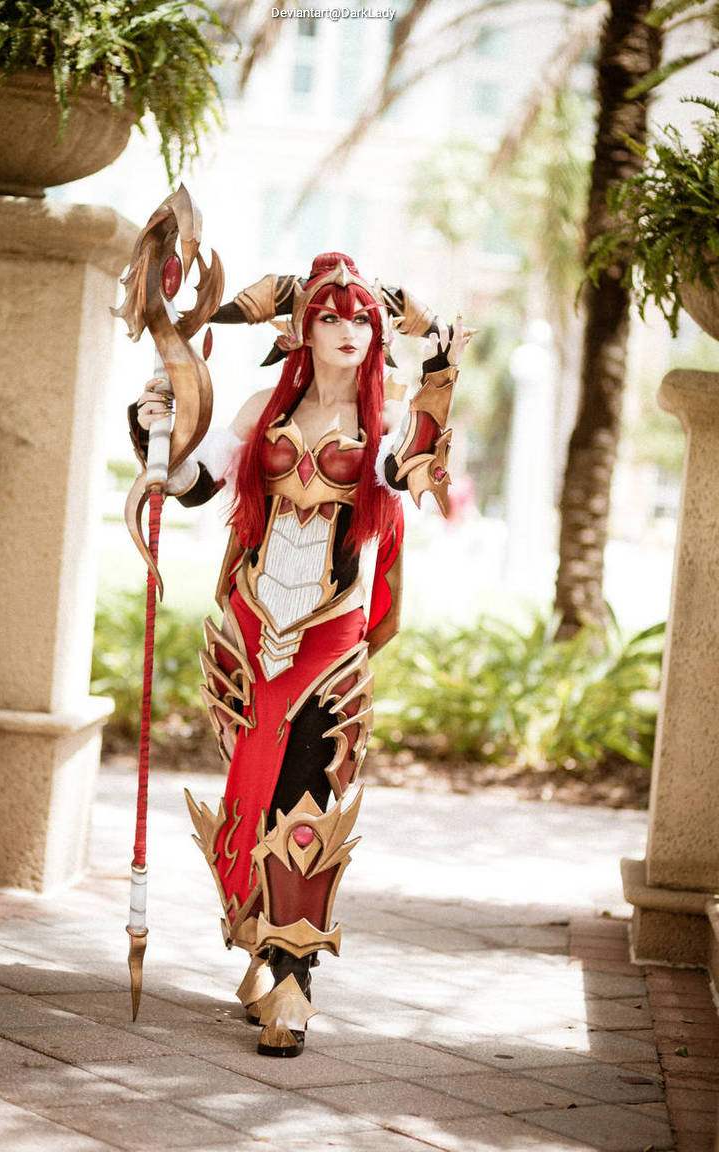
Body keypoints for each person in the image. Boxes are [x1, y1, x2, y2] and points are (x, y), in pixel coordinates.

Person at [131, 252, 471, 1056]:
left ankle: (293, 978)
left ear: (377, 331)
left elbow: (415, 441)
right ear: (303, 330)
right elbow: (189, 483)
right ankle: (255, 943)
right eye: (330, 317)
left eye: (362, 319)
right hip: (254, 627)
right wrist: (155, 420)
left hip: (331, 631)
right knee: (250, 787)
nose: (348, 332)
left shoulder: (388, 424)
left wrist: (425, 329)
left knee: (310, 793)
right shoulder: (260, 409)